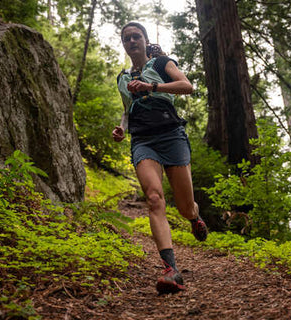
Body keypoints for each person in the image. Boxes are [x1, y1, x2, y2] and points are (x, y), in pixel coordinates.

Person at [112, 22, 208, 294]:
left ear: (145, 40)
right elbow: (127, 111)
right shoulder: (122, 78)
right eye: (127, 38)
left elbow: (186, 86)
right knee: (154, 198)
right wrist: (122, 129)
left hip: (171, 135)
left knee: (184, 206)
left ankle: (194, 217)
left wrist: (152, 87)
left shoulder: (163, 63)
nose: (131, 41)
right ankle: (171, 269)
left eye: (136, 36)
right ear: (124, 44)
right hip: (143, 140)